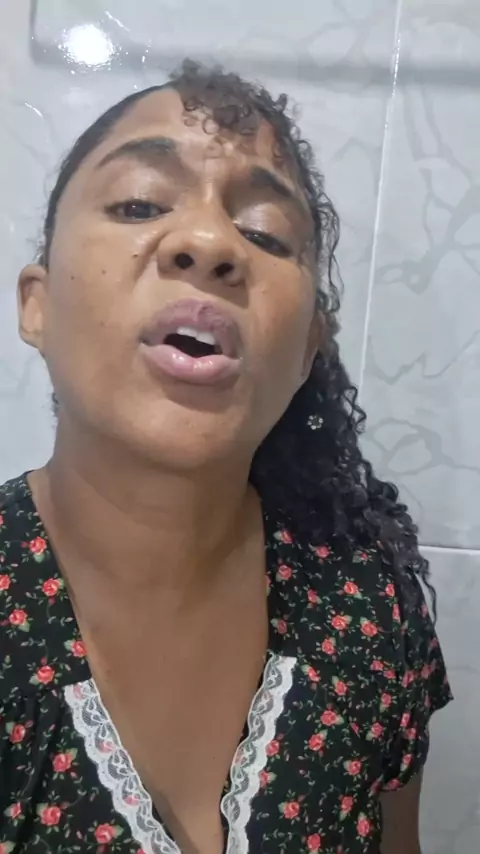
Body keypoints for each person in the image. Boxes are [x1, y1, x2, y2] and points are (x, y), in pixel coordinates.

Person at [0, 60, 451, 854]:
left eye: (266, 234)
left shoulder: (370, 607)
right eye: (140, 203)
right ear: (37, 305)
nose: (209, 243)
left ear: (309, 348)